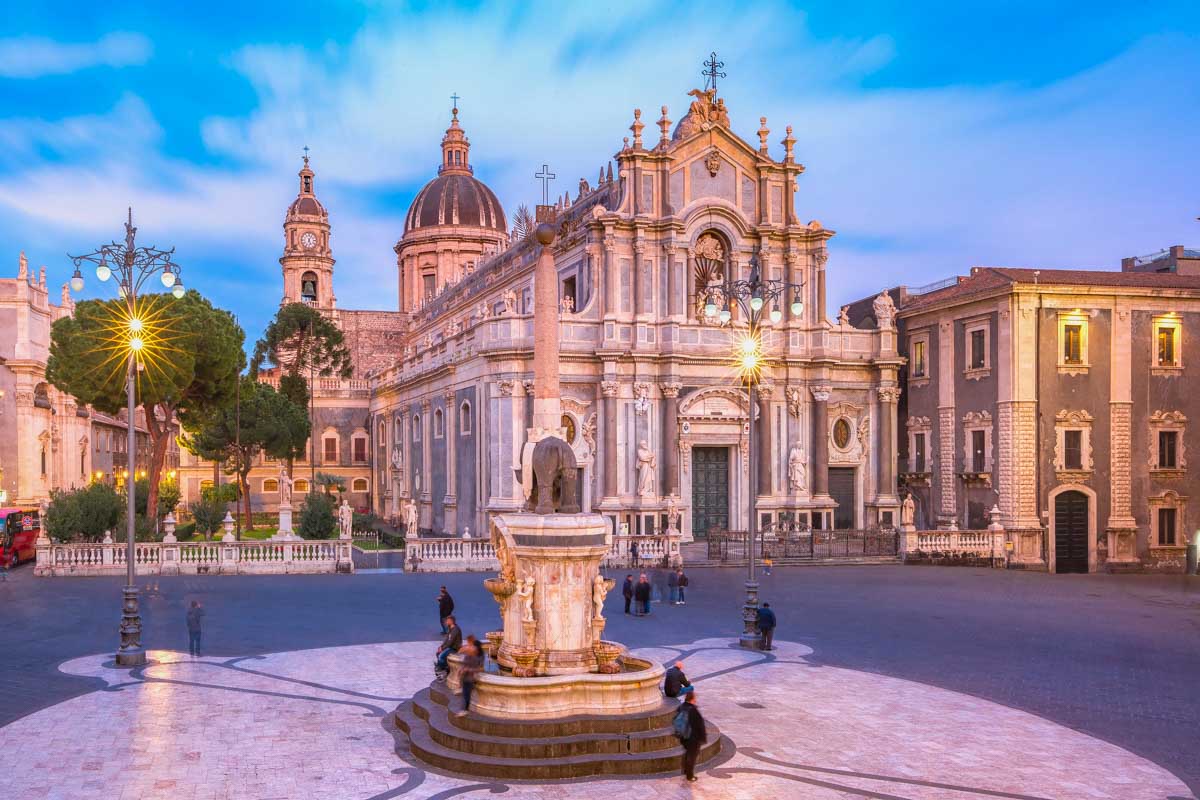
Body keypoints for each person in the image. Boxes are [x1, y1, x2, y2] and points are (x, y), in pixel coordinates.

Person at [676, 689, 708, 782]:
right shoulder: (693, 710)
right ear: (692, 699)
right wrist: (703, 738)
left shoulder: (681, 707)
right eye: (695, 698)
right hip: (693, 738)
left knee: (687, 753)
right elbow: (700, 725)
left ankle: (686, 770)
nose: (696, 700)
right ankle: (690, 776)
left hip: (683, 736)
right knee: (692, 756)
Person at [458, 635, 484, 716]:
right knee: (465, 693)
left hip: (470, 678)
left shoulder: (476, 658)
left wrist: (467, 670)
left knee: (466, 694)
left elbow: (480, 669)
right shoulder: (468, 655)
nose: (470, 648)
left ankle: (465, 709)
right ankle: (464, 709)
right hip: (466, 677)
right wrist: (462, 669)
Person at [435, 615, 462, 679]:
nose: (446, 622)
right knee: (438, 653)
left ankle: (441, 669)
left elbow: (450, 642)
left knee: (441, 656)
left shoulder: (456, 630)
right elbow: (446, 639)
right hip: (449, 647)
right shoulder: (450, 628)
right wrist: (441, 647)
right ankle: (445, 667)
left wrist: (443, 648)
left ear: (451, 621)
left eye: (447, 621)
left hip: (454, 648)